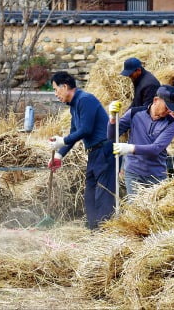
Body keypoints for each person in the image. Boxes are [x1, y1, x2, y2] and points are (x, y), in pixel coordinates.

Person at [48, 71, 116, 230]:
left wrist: (62, 141)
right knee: (90, 193)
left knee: (103, 193)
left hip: (105, 150)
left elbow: (85, 130)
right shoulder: (73, 106)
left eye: (55, 89)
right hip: (93, 152)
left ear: (64, 87)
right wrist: (58, 155)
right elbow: (74, 133)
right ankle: (93, 229)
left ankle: (103, 231)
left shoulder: (86, 100)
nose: (55, 94)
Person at [108, 85, 174, 198]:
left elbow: (156, 149)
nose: (169, 111)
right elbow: (112, 135)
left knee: (155, 210)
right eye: (167, 107)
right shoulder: (134, 113)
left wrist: (129, 148)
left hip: (156, 176)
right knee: (135, 208)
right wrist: (112, 118)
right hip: (134, 172)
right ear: (156, 100)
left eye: (172, 107)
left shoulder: (172, 124)